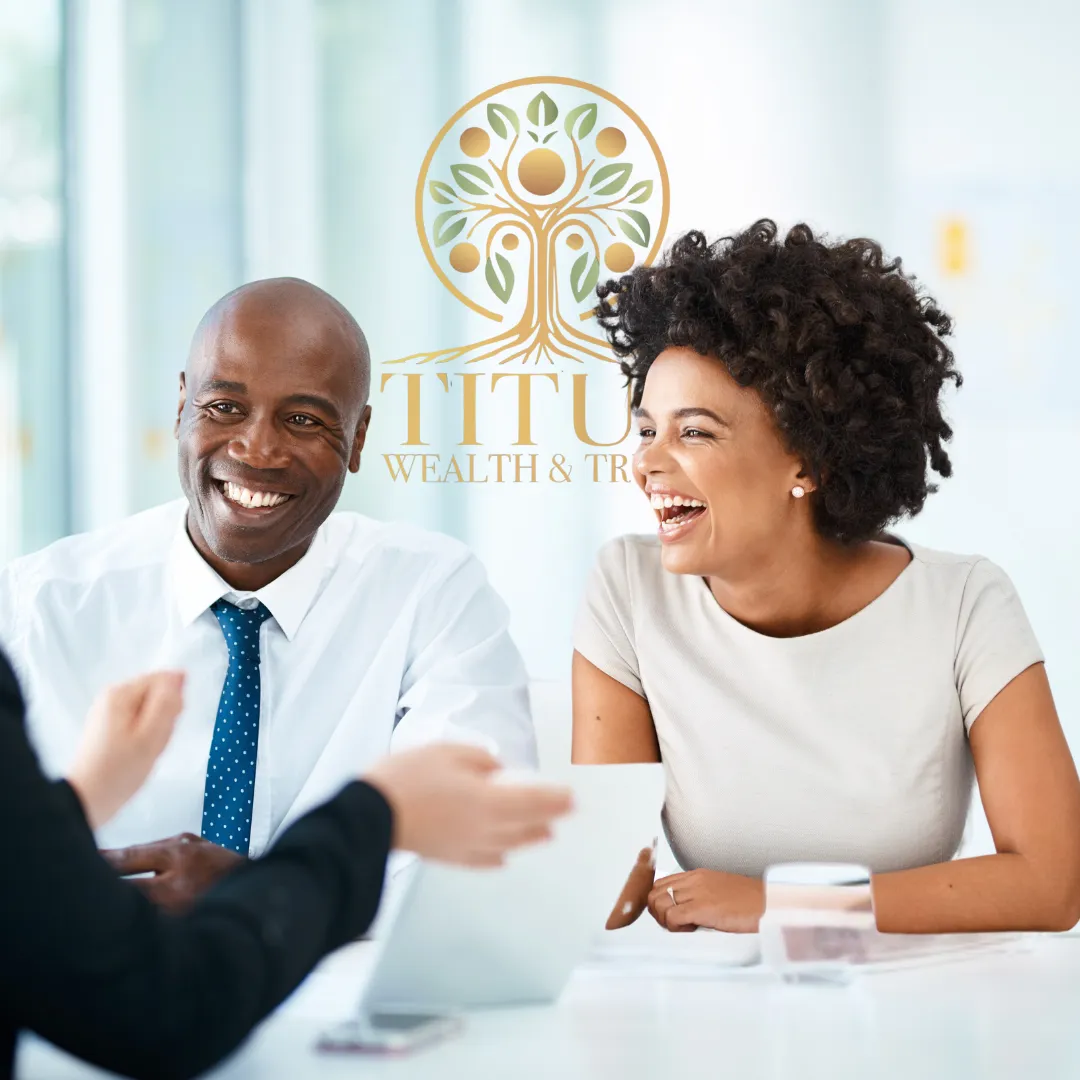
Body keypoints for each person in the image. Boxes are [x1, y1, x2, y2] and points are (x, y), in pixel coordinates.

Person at [573, 220, 1080, 935]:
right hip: (723, 995)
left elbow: (1052, 883)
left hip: (916, 992)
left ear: (807, 463)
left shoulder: (964, 605)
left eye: (694, 431)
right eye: (647, 428)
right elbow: (609, 889)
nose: (646, 463)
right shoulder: (630, 589)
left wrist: (783, 907)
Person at [0, 277, 537, 912]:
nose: (256, 449)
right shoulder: (41, 606)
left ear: (358, 437)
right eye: (224, 407)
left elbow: (474, 857)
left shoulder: (430, 595)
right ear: (182, 406)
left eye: (303, 420)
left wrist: (270, 898)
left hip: (343, 972)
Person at [0, 651, 571, 1080]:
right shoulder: (39, 596)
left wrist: (71, 806)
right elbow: (165, 1008)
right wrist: (373, 816)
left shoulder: (434, 588)